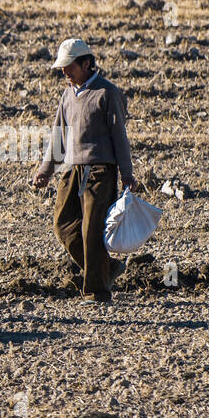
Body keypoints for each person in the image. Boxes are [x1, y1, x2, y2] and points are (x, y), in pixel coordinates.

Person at [32, 38, 141, 305]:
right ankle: (107, 268)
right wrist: (45, 171)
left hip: (100, 171)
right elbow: (59, 136)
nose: (64, 72)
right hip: (71, 169)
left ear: (87, 63)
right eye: (62, 67)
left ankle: (97, 292)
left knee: (91, 230)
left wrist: (126, 174)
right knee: (63, 224)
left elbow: (119, 136)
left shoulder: (107, 93)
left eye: (69, 66)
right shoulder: (68, 95)